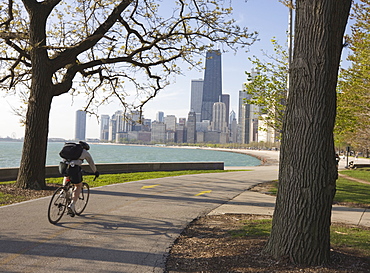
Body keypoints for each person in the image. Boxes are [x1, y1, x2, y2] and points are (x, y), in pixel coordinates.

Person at [63, 141, 98, 216]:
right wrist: (95, 172)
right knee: (78, 185)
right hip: (74, 168)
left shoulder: (70, 149)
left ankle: (63, 191)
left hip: (63, 166)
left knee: (67, 176)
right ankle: (72, 205)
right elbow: (91, 163)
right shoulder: (84, 151)